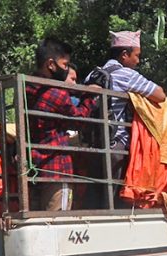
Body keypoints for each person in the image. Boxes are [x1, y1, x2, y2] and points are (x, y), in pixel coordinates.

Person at [27, 38, 100, 211]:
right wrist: (90, 96)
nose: (66, 69)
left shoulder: (28, 86)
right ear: (51, 65)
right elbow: (79, 120)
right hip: (56, 167)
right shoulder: (55, 93)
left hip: (34, 164)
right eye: (65, 64)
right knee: (57, 220)